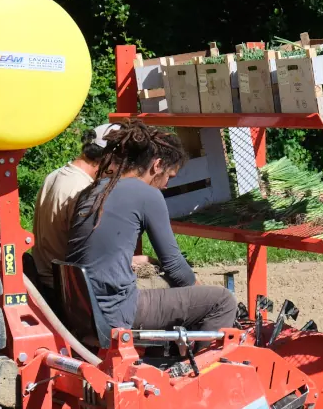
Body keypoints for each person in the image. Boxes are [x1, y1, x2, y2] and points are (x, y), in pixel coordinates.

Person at [66, 119, 237, 337]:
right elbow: (174, 265)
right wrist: (199, 287)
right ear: (156, 165)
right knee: (222, 300)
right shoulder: (147, 194)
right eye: (169, 176)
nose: (166, 185)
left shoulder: (93, 189)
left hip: (80, 310)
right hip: (116, 312)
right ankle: (196, 366)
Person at [28, 122, 119, 295]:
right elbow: (90, 254)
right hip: (62, 289)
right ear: (109, 159)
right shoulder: (82, 190)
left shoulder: (55, 175)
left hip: (45, 279)